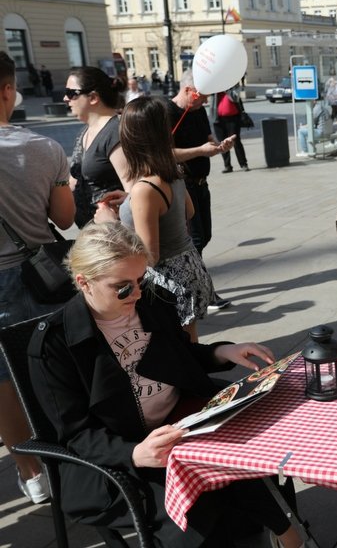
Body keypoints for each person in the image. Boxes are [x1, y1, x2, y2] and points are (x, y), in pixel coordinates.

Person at [28, 222, 303, 548]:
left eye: (141, 279)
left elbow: (180, 355)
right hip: (118, 457)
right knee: (197, 504)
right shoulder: (55, 344)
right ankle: (285, 534)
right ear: (83, 282)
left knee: (252, 455)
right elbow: (76, 434)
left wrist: (222, 351)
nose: (138, 293)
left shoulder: (152, 303)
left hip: (179, 423)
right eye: (122, 287)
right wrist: (135, 452)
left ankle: (283, 532)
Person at [0, 50, 75, 505]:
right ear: (8, 90)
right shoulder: (43, 148)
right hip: (39, 276)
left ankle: (32, 473)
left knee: (3, 385)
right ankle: (73, 454)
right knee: (54, 367)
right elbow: (64, 219)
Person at [95, 96, 214, 342]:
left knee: (177, 354)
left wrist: (111, 223)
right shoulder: (172, 171)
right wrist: (131, 203)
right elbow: (188, 212)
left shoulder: (145, 189)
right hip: (189, 268)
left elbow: (150, 256)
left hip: (169, 284)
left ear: (130, 138)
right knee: (190, 347)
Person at [168, 70, 234, 311]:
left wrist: (220, 146)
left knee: (204, 236)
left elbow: (209, 139)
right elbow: (166, 153)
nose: (206, 101)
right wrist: (200, 150)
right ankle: (204, 292)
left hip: (201, 182)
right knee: (195, 239)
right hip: (183, 184)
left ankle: (196, 285)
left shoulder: (199, 111)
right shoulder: (169, 112)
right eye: (202, 96)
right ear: (188, 90)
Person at [65, 66, 128, 228]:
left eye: (71, 93)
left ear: (93, 97)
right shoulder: (84, 131)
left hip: (114, 234)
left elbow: (133, 189)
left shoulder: (115, 132)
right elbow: (74, 180)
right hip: (90, 233)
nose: (66, 98)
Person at [213, 85, 250, 172]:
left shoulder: (233, 86)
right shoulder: (214, 87)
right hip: (218, 119)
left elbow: (235, 97)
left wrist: (226, 89)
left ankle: (243, 164)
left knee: (236, 142)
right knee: (222, 142)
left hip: (233, 118)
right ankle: (227, 166)